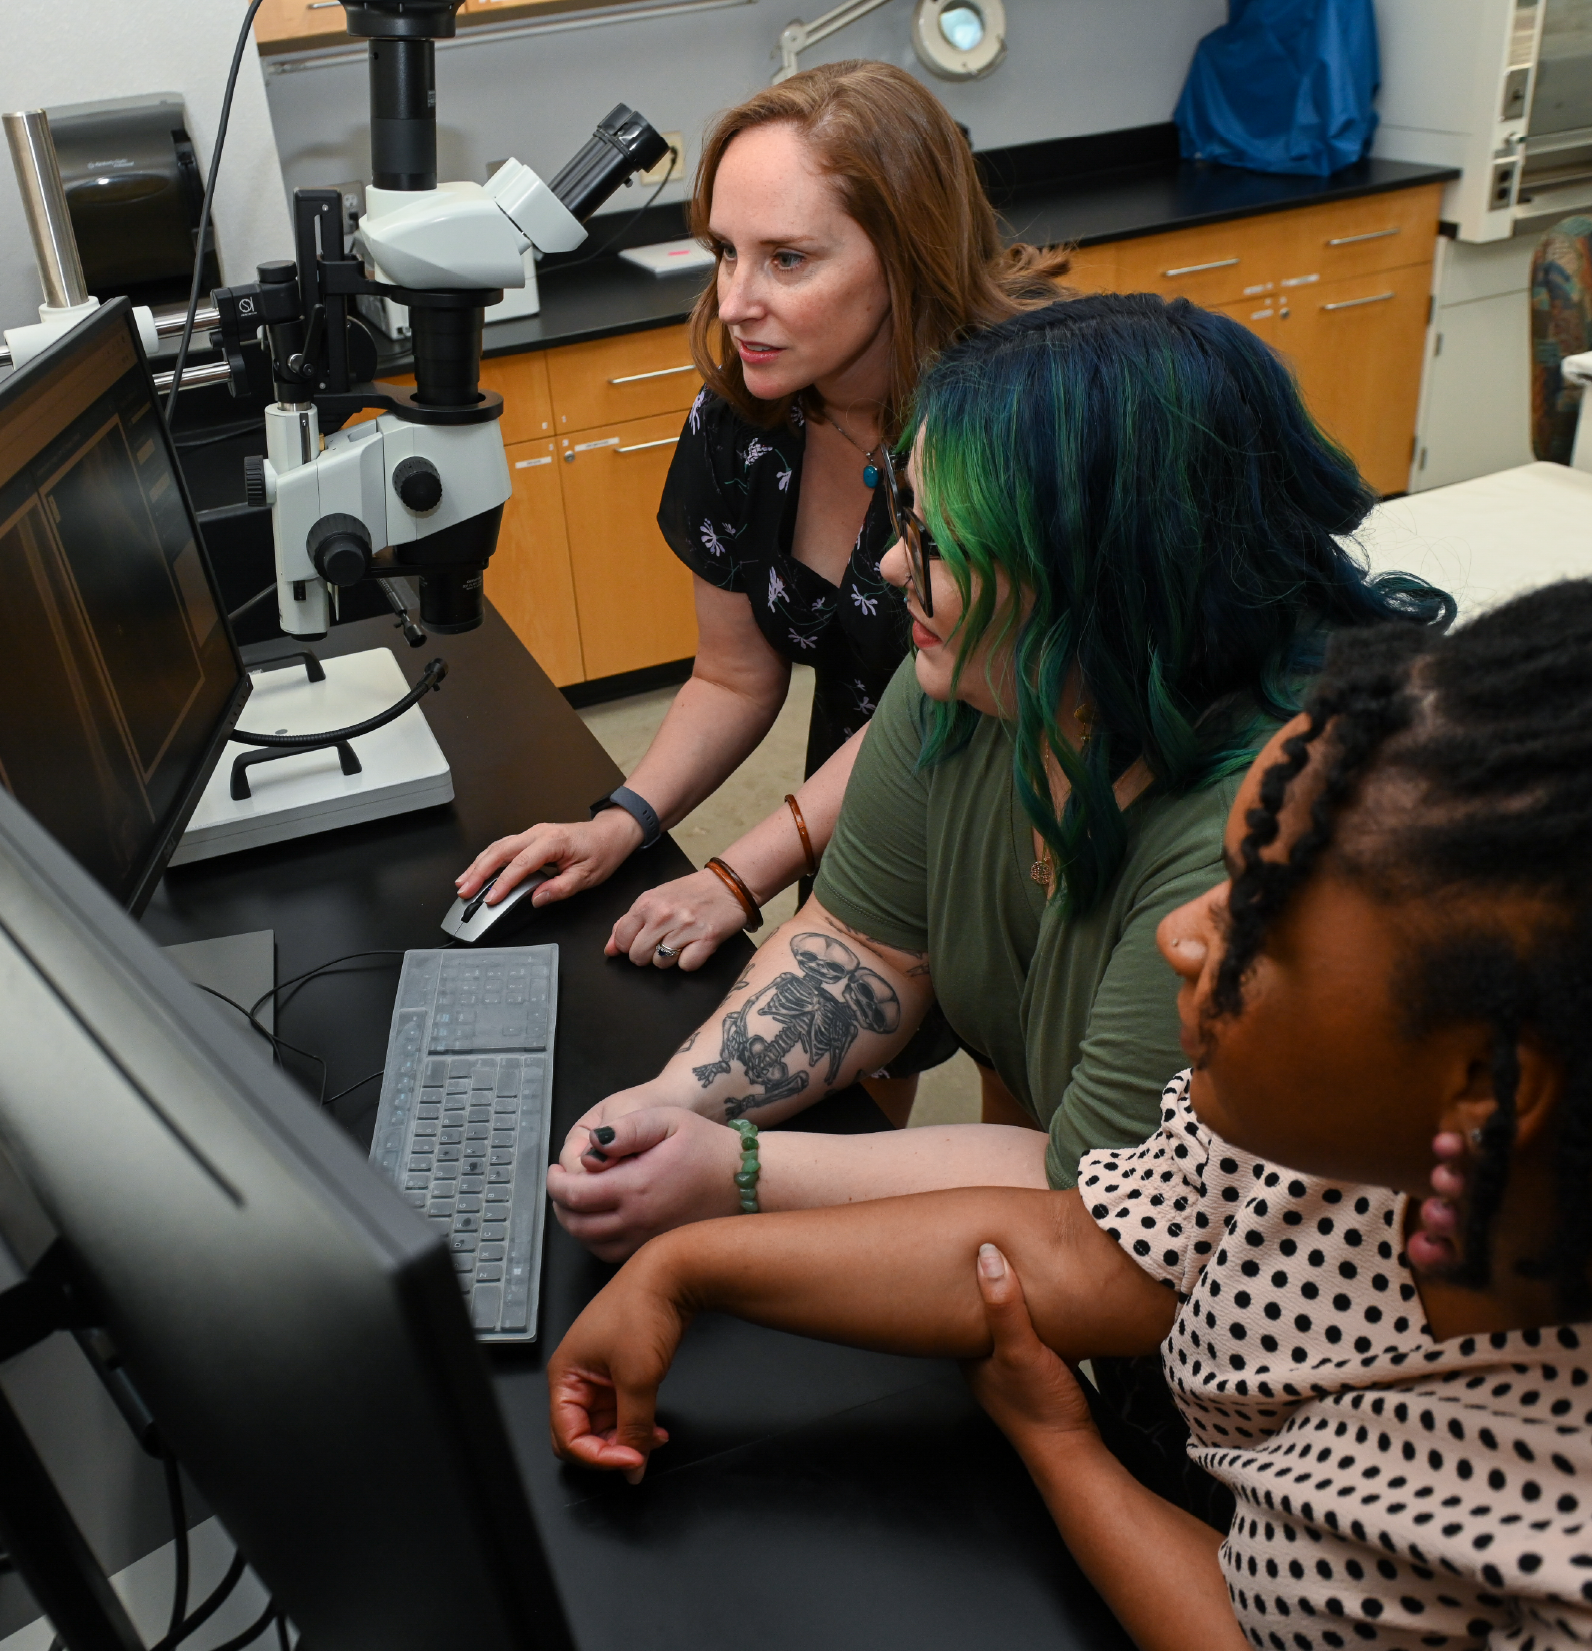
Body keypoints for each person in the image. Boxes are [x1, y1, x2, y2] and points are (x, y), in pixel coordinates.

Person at [546, 516, 1592, 1650]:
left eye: (1257, 919)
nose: (1181, 932)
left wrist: (1069, 1461)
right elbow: (1074, 1244)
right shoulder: (1348, 1139)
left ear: (1492, 1094)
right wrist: (686, 1265)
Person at [544, 293, 1445, 1262]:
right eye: (906, 521)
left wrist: (737, 1170)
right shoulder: (975, 675)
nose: (890, 565)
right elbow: (863, 944)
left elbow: (1091, 1194)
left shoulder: (1271, 821)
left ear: (1101, 573)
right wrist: (661, 1108)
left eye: (939, 545)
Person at [456, 63, 1067, 1043]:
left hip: (1018, 799)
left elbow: (925, 705)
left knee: (1020, 1103)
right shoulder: (744, 420)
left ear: (905, 257)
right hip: (853, 805)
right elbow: (734, 675)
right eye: (723, 253)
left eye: (785, 259)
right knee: (857, 1067)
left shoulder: (1011, 421)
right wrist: (621, 819)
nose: (736, 301)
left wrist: (735, 875)